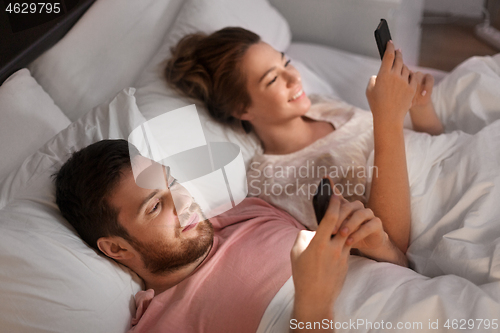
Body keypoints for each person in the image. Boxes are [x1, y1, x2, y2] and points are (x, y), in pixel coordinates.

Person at [54, 139, 408, 333]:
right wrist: (313, 306)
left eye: (174, 184)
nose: (183, 202)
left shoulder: (252, 211)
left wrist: (381, 247)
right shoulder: (162, 326)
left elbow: (401, 271)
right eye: (154, 207)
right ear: (116, 247)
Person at [165, 27, 445, 254]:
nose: (294, 76)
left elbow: (431, 147)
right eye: (272, 79)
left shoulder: (323, 106)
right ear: (242, 109)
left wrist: (420, 107)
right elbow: (390, 244)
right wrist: (388, 119)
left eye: (285, 62)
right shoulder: (273, 180)